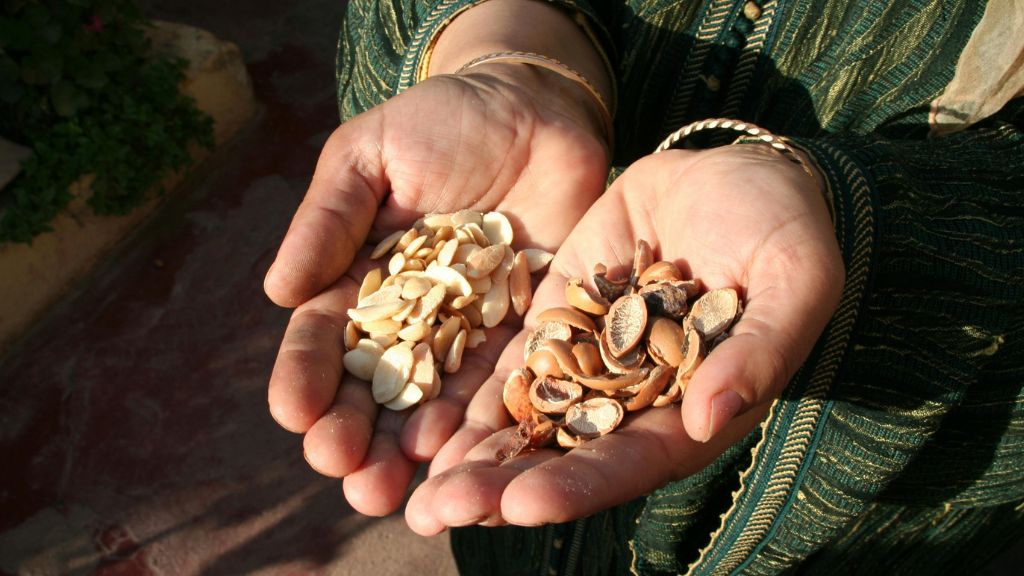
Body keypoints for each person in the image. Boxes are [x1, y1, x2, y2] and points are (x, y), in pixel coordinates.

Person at [263, 0, 1024, 573]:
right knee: (499, 507)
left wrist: (851, 212)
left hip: (871, 526)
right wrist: (508, 52)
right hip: (511, 541)